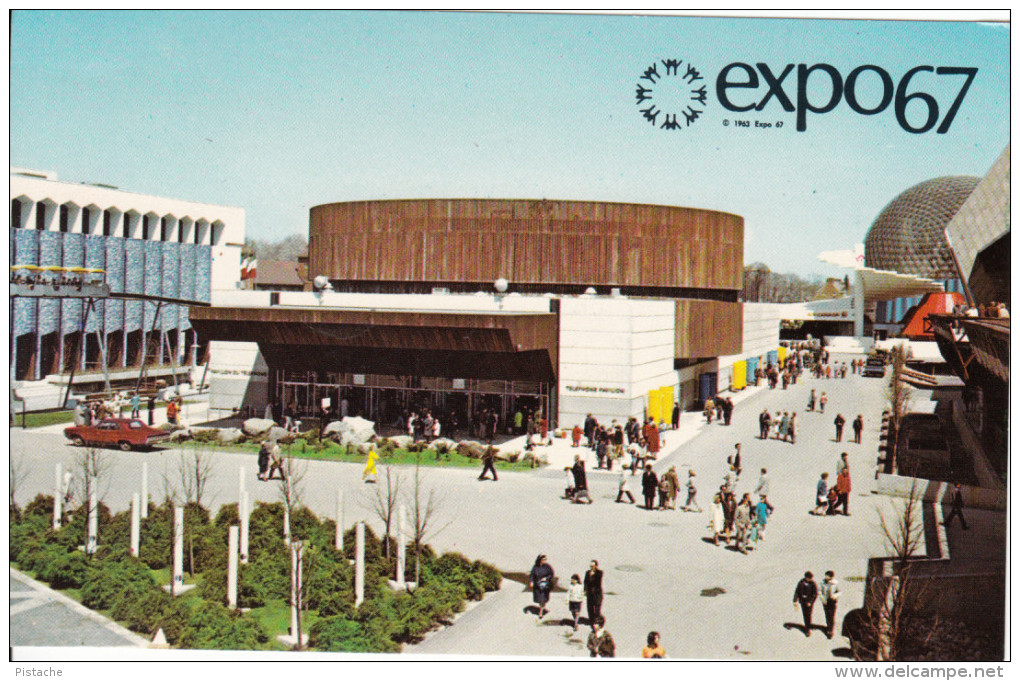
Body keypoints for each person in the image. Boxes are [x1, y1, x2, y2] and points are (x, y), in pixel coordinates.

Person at [528, 554, 555, 619]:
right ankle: (541, 607)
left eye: (545, 559)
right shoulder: (535, 567)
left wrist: (546, 578)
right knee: (539, 599)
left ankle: (541, 612)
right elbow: (532, 574)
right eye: (543, 559)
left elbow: (551, 574)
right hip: (537, 585)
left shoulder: (547, 566)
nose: (545, 561)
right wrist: (531, 581)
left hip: (545, 585)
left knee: (543, 599)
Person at [793, 571, 819, 636]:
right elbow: (797, 591)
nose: (808, 579)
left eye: (810, 578)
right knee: (805, 615)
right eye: (807, 578)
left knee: (808, 615)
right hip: (803, 601)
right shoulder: (801, 582)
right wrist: (795, 600)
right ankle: (807, 627)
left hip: (809, 602)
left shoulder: (813, 584)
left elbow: (815, 594)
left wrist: (810, 602)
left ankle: (808, 627)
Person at [820, 570, 840, 639]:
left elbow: (839, 592)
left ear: (831, 577)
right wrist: (823, 600)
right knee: (827, 615)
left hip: (832, 601)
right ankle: (828, 626)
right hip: (825, 602)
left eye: (828, 576)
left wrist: (834, 596)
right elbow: (820, 591)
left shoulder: (835, 583)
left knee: (831, 616)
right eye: (826, 575)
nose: (826, 577)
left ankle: (830, 631)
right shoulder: (822, 582)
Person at [584, 560, 604, 626]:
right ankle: (591, 620)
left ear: (596, 566)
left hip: (597, 593)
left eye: (593, 566)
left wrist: (593, 574)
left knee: (597, 608)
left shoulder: (599, 573)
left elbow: (598, 581)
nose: (591, 567)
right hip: (590, 593)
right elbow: (585, 582)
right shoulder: (587, 572)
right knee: (589, 608)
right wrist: (585, 590)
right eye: (590, 566)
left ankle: (597, 620)